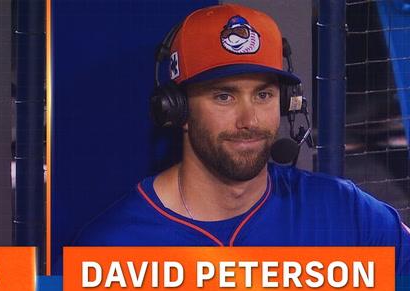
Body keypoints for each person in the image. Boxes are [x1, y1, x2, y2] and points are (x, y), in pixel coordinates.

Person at [74, 4, 409, 271]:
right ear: (176, 110)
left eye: (263, 95)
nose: (249, 120)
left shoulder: (344, 214)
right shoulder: (111, 252)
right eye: (224, 96)